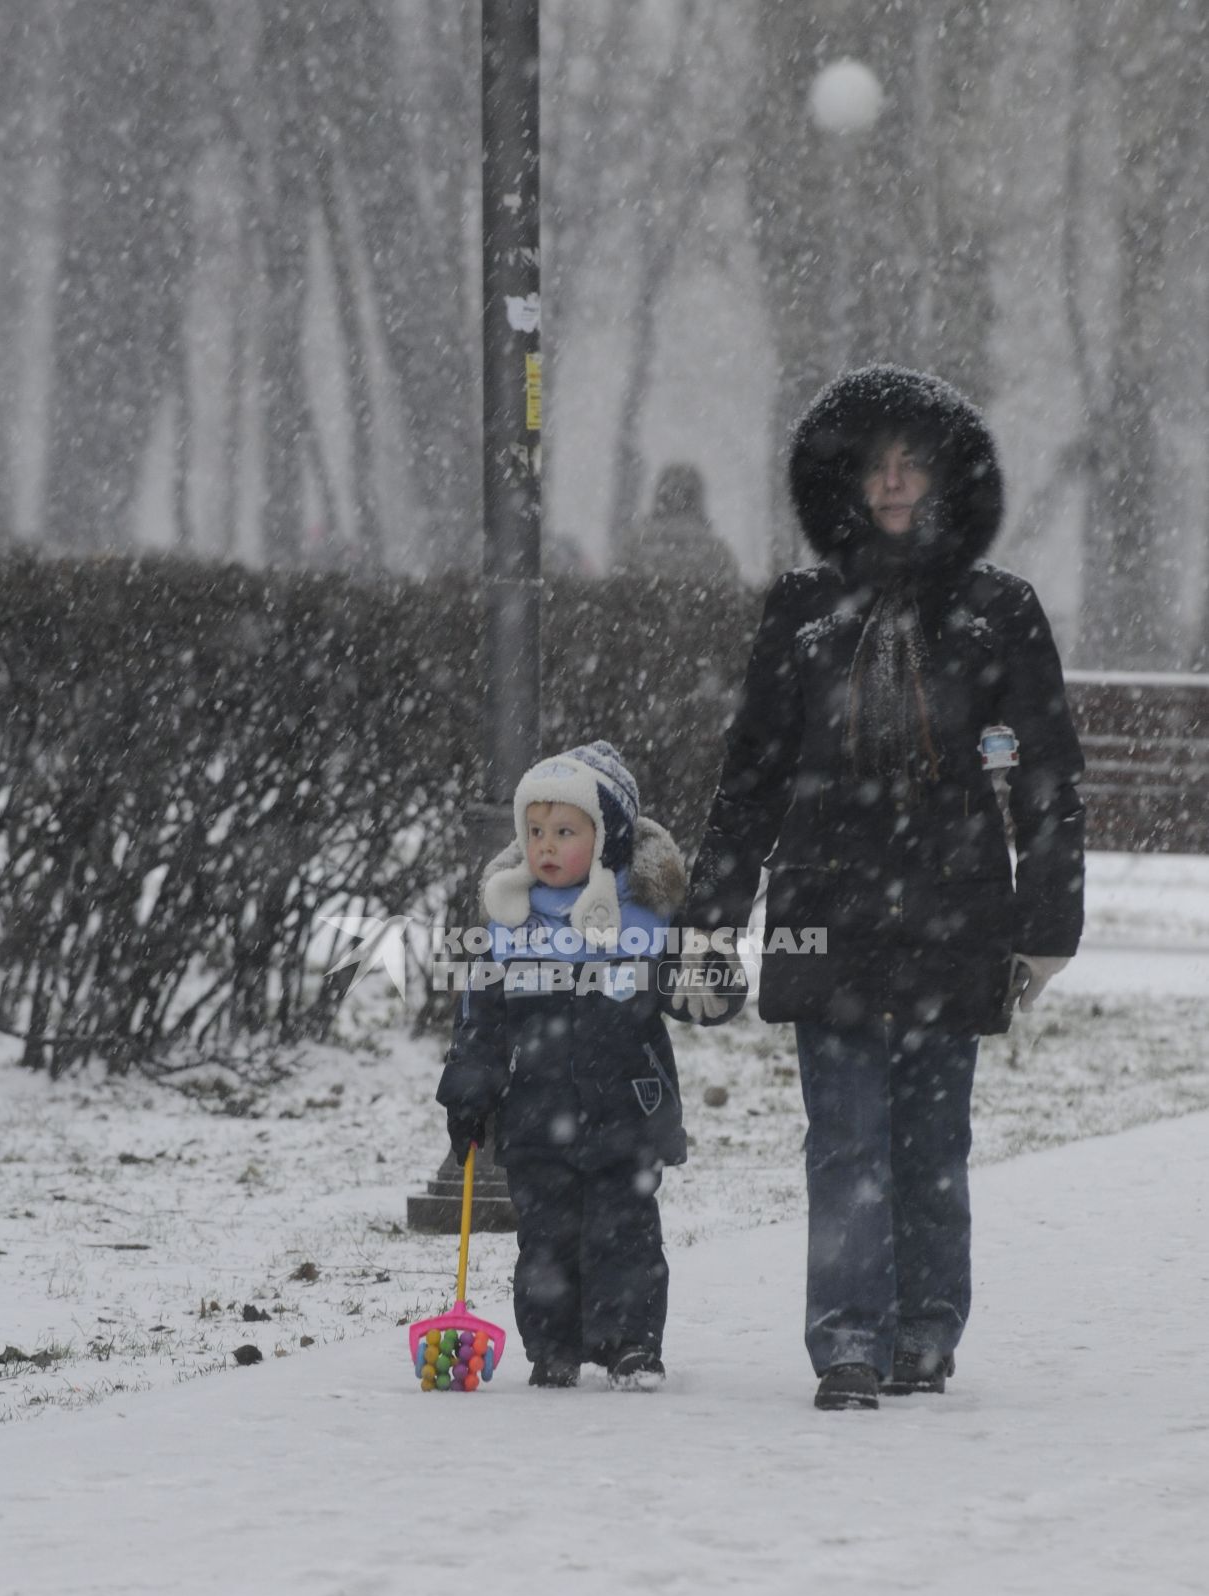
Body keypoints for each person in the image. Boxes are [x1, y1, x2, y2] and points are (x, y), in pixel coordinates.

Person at [680, 364, 1086, 1410]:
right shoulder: (807, 611)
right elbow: (757, 770)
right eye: (876, 465)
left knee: (932, 1138)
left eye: (912, 463)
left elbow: (1046, 773)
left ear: (947, 478)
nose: (894, 481)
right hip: (829, 907)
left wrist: (1046, 922)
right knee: (847, 1136)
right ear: (849, 482)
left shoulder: (1000, 612)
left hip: (956, 907)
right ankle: (849, 1340)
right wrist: (713, 920)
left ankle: (924, 1331)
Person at [436, 741, 688, 1390]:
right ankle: (554, 1346)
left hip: (625, 1110)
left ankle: (630, 1343)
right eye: (536, 831)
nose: (546, 846)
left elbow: (686, 995)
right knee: (544, 1239)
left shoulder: (642, 923)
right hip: (534, 1114)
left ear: (605, 839)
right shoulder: (509, 924)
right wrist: (469, 1095)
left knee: (623, 1233)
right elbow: (481, 1022)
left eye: (566, 832)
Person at [615, 462, 740, 586]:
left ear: (659, 495)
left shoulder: (634, 546)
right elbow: (732, 594)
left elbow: (615, 589)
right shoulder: (718, 553)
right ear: (698, 498)